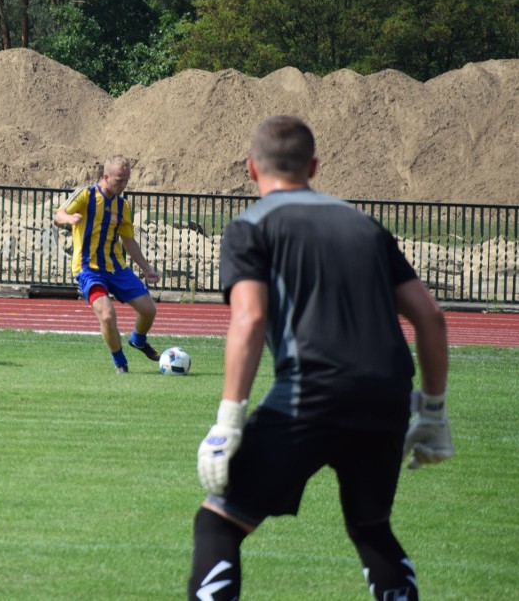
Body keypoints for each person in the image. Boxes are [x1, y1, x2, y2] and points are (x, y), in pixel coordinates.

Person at [188, 116, 454, 600]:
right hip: (388, 396)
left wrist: (228, 420)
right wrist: (432, 411)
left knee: (218, 525)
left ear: (251, 169)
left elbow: (248, 320)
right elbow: (430, 317)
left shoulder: (251, 227)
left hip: (311, 392)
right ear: (313, 166)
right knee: (371, 527)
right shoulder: (365, 226)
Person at [54, 155, 161, 373]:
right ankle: (120, 363)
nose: (123, 185)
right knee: (107, 314)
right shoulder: (86, 195)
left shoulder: (123, 206)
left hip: (116, 268)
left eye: (126, 180)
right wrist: (69, 219)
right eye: (119, 180)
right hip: (88, 269)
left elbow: (128, 241)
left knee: (149, 310)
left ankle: (138, 340)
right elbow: (59, 214)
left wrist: (147, 268)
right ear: (105, 176)